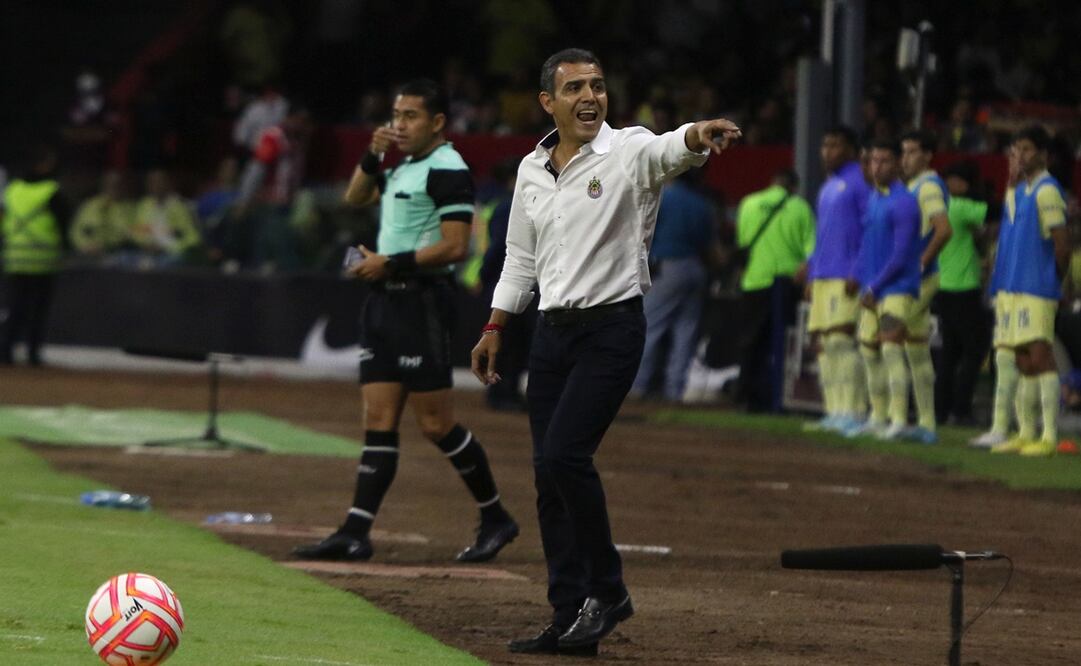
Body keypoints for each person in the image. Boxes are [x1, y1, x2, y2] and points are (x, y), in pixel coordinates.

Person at [470, 48, 741, 655]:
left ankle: (608, 592)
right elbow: (520, 259)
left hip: (611, 331)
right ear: (548, 102)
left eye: (597, 85)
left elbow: (670, 149)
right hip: (550, 334)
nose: (590, 97)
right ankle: (569, 613)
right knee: (547, 475)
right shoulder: (531, 170)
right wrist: (494, 326)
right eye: (575, 89)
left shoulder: (627, 151)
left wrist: (697, 132)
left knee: (565, 456)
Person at [293, 79, 519, 564]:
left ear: (437, 122)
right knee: (378, 419)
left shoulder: (447, 168)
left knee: (436, 424)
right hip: (384, 304)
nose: (399, 124)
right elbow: (356, 196)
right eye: (396, 115)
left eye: (410, 116)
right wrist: (373, 154)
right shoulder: (402, 167)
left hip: (422, 304)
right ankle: (356, 532)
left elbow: (456, 246)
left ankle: (496, 516)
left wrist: (389, 263)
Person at [987, 125, 1070, 456]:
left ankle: (1049, 435)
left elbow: (1062, 244)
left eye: (1026, 149)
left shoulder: (1047, 190)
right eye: (1015, 149)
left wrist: (1052, 280)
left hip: (1036, 288)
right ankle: (1025, 432)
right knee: (1022, 361)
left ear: (1043, 155)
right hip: (1013, 287)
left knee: (1040, 357)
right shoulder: (1021, 191)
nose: (1019, 156)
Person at [854, 138, 923, 441]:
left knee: (892, 350)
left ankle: (899, 420)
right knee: (869, 353)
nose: (877, 167)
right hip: (872, 289)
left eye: (884, 161)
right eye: (873, 161)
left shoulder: (904, 202)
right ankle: (878, 416)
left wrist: (875, 285)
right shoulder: (874, 198)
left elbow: (901, 253)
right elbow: (866, 246)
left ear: (896, 165)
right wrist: (861, 280)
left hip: (896, 287)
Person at [804, 126, 872, 433]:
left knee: (842, 342)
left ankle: (853, 412)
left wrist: (858, 270)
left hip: (845, 274)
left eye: (835, 145)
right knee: (825, 345)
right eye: (825, 145)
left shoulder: (860, 182)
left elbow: (870, 229)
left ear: (851, 150)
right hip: (823, 275)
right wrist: (811, 271)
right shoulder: (828, 186)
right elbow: (824, 234)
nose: (827, 152)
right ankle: (833, 412)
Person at [630, 168, 716, 403]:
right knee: (685, 332)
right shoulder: (701, 203)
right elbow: (709, 247)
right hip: (695, 267)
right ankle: (675, 390)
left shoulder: (661, 197)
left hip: (667, 267)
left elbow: (640, 235)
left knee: (650, 327)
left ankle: (638, 386)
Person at [734, 168, 815, 412]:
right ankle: (778, 397)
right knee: (781, 342)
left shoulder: (749, 203)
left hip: (754, 281)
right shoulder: (800, 208)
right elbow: (811, 250)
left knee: (750, 342)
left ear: (772, 182)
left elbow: (742, 241)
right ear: (793, 187)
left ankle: (746, 397)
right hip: (786, 283)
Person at [899, 129, 953, 444]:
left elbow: (943, 230)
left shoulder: (929, 186)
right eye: (904, 151)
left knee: (889, 335)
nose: (905, 158)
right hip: (919, 277)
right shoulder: (916, 185)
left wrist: (920, 263)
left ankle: (890, 418)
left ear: (928, 155)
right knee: (915, 348)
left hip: (920, 278)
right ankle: (927, 424)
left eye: (912, 152)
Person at [971, 146, 1023, 449]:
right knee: (1002, 357)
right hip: (1004, 287)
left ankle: (1032, 431)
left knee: (1027, 359)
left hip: (1025, 289)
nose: (1014, 163)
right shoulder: (1013, 195)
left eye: (1021, 155)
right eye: (1011, 157)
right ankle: (1000, 427)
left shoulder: (1041, 193)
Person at [0, 145, 71, 366]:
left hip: (15, 258)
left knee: (15, 308)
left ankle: (5, 350)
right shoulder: (51, 191)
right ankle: (32, 353)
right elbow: (64, 224)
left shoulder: (12, 190)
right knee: (38, 310)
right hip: (43, 260)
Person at [933, 161, 991, 426]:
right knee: (975, 349)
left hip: (944, 286)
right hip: (962, 287)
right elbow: (995, 213)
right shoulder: (958, 206)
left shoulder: (939, 208)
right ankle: (960, 409)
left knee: (950, 352)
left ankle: (941, 409)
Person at [131, 169, 202, 266]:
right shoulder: (144, 205)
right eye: (152, 182)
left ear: (168, 183)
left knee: (164, 263)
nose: (156, 185)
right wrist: (146, 244)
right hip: (147, 251)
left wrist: (167, 247)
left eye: (160, 182)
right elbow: (137, 231)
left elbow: (193, 237)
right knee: (122, 259)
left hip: (171, 252)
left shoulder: (179, 206)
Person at [70, 170, 135, 257]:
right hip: (91, 253)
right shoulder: (91, 206)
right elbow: (77, 231)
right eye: (110, 185)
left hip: (120, 252)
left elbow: (131, 232)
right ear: (104, 185)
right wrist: (85, 245)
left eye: (118, 185)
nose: (114, 188)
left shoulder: (129, 207)